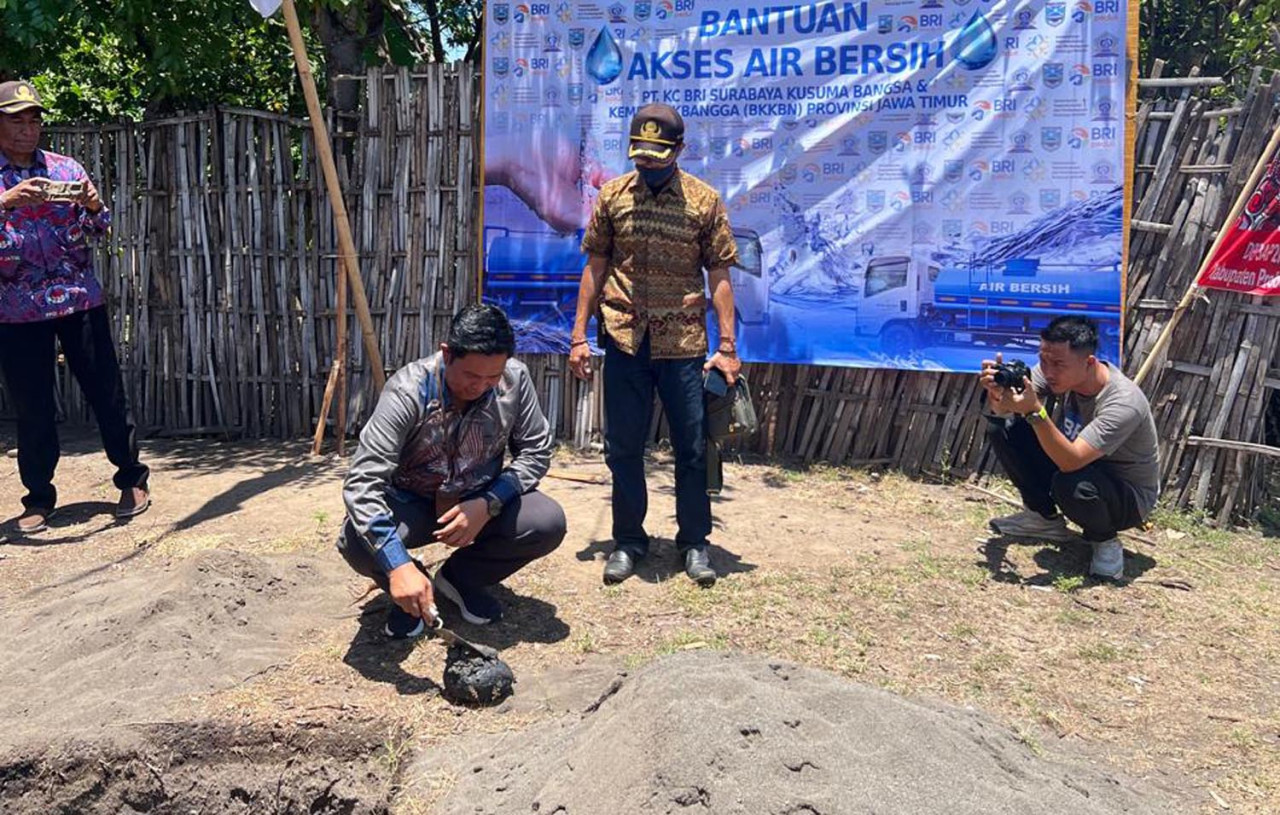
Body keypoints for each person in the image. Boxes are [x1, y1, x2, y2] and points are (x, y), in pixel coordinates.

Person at [567, 103, 741, 588]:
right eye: (640, 153)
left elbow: (721, 275)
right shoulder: (613, 196)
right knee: (623, 448)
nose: (647, 162)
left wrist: (727, 346)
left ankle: (694, 543)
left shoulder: (704, 202)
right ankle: (628, 541)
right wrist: (578, 335)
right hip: (624, 340)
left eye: (658, 154)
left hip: (683, 342)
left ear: (679, 150)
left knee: (690, 447)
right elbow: (595, 265)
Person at [338, 304, 566, 638]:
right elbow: (362, 483)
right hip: (411, 504)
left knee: (546, 522)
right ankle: (411, 591)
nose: (483, 386)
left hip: (478, 501)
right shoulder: (408, 391)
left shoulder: (515, 379)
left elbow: (536, 450)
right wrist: (397, 564)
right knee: (356, 542)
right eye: (472, 376)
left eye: (493, 377)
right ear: (447, 354)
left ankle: (459, 580)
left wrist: (489, 502)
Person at [0, 80, 150, 533]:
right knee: (33, 405)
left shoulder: (66, 168)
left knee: (106, 390)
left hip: (79, 298)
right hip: (16, 308)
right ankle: (38, 500)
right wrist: (5, 203)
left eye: (34, 119)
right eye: (16, 120)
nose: (28, 129)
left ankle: (132, 479)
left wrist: (93, 203)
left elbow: (100, 226)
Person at [980, 316, 1160, 580]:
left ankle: (1105, 541)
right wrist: (997, 393)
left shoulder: (1123, 402)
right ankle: (1043, 518)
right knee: (1003, 428)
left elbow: (1072, 461)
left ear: (1089, 363)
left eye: (1058, 364)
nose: (1048, 371)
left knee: (1071, 482)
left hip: (1126, 496)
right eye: (1043, 361)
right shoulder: (1053, 371)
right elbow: (1004, 411)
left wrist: (1035, 411)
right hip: (1080, 467)